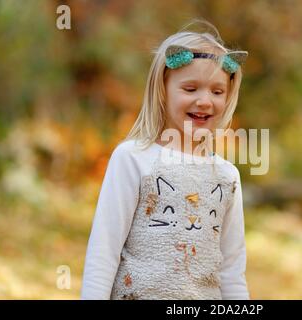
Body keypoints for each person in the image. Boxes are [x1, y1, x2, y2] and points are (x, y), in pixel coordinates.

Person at [81, 20, 249, 300]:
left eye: (217, 91)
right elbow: (104, 251)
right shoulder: (133, 159)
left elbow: (231, 270)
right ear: (163, 89)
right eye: (191, 88)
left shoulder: (227, 176)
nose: (205, 101)